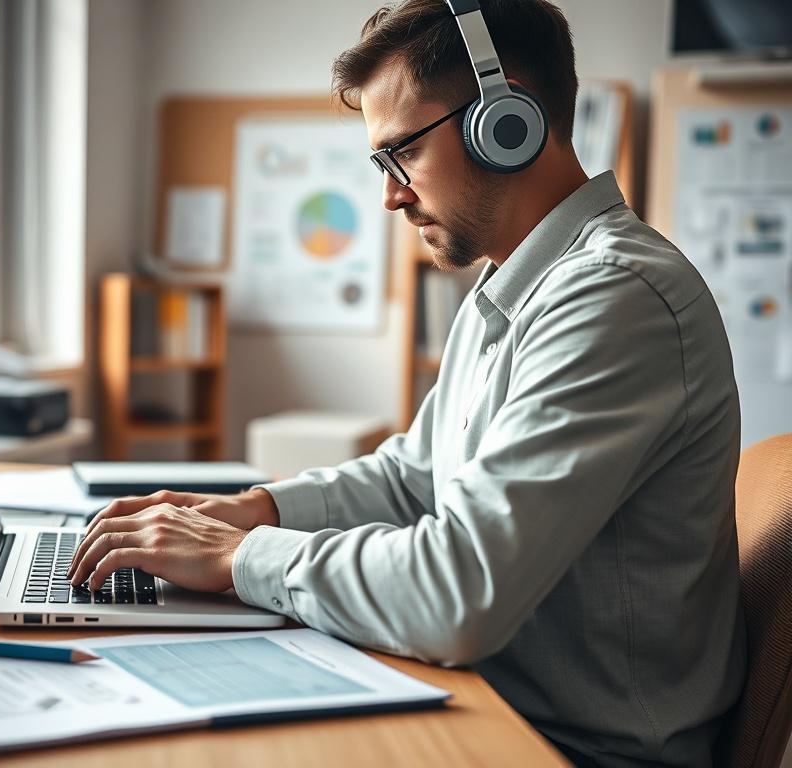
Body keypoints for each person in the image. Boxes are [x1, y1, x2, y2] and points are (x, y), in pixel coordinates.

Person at [69, 1, 746, 764]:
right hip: (499, 705)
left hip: (574, 749)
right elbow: (412, 478)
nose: (390, 195)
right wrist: (255, 508)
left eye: (404, 155)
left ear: (506, 118)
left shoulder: (615, 297)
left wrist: (239, 556)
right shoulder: (516, 285)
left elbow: (461, 595)